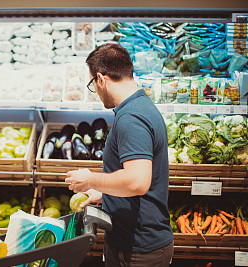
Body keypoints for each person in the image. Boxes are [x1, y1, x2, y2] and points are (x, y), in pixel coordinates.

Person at [65, 44, 174, 267]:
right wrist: (106, 194)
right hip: (140, 243)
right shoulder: (141, 106)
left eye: (92, 85)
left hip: (139, 250)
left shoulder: (131, 118)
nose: (95, 91)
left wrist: (90, 179)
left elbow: (137, 182)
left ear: (101, 79)